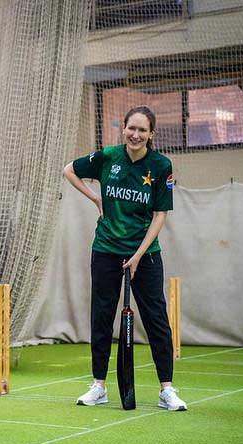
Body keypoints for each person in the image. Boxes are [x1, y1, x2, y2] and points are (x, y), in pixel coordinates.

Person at [62, 105, 187, 411]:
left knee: (157, 319)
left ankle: (166, 390)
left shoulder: (160, 166)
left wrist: (138, 254)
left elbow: (160, 215)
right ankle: (99, 386)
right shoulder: (108, 157)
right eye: (131, 128)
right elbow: (69, 170)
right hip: (106, 248)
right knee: (102, 315)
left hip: (145, 253)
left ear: (151, 135)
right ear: (124, 129)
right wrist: (95, 198)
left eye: (142, 130)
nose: (135, 135)